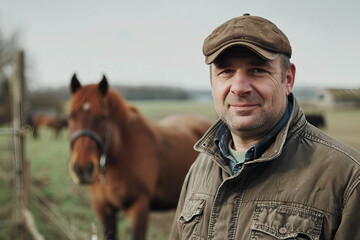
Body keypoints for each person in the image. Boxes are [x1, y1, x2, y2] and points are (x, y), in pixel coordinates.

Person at [170, 13, 360, 239]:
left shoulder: (347, 177)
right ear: (213, 84)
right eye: (226, 72)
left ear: (288, 79)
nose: (239, 88)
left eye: (258, 70)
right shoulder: (201, 167)